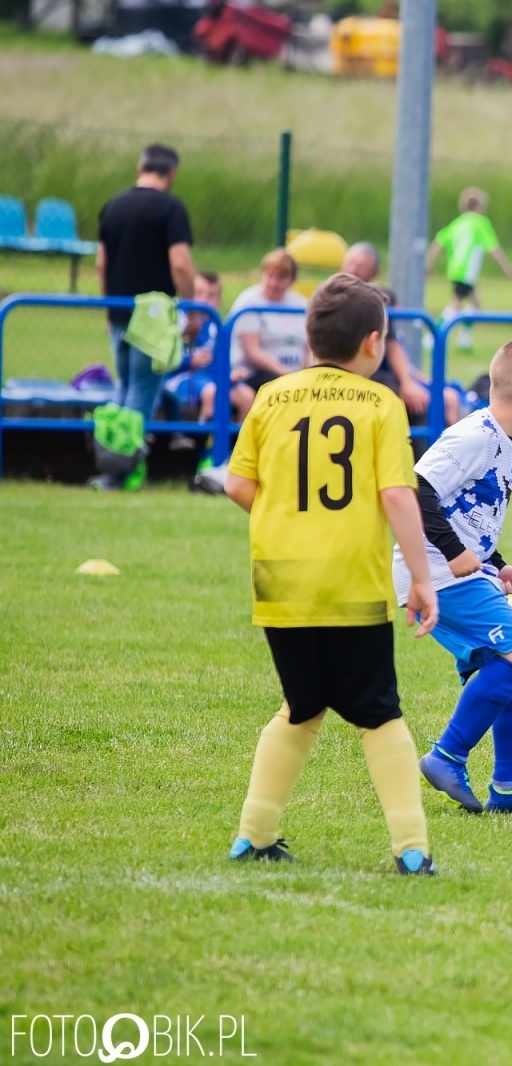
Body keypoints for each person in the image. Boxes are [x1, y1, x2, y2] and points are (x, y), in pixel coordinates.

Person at [223, 273, 442, 875]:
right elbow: (398, 495)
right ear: (374, 343)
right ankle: (412, 846)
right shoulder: (381, 404)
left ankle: (254, 834)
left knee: (301, 706)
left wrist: (287, 520)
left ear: (309, 338)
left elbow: (239, 483)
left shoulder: (270, 396)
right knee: (379, 713)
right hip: (349, 581)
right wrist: (422, 578)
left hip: (280, 580)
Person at [409, 339, 512, 817]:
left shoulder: (499, 439)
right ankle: (446, 756)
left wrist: (495, 561)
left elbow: (467, 509)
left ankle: (508, 789)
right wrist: (458, 555)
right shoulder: (475, 435)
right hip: (434, 571)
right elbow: (415, 489)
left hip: (459, 568)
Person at [91, 143, 197, 489]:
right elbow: (180, 263)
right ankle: (122, 470)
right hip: (151, 316)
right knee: (141, 392)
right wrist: (192, 307)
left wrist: (108, 305)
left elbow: (101, 264)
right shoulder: (170, 209)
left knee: (122, 388)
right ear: (172, 173)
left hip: (119, 310)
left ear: (140, 167)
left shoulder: (113, 206)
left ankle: (110, 462)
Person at [426, 187, 512, 352]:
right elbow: (493, 247)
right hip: (466, 271)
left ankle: (464, 340)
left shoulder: (458, 222)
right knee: (455, 305)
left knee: (475, 303)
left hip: (455, 269)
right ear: (480, 207)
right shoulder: (480, 222)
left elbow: (438, 242)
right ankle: (433, 337)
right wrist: (507, 266)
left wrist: (429, 262)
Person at [223, 249, 309, 419]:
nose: (273, 283)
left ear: (292, 280)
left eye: (281, 278)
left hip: (291, 375)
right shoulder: (249, 302)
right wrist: (287, 374)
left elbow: (310, 346)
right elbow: (252, 352)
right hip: (251, 374)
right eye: (269, 275)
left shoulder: (300, 303)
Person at [372, 286, 460, 427]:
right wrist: (408, 383)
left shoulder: (393, 336)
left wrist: (432, 383)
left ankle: (452, 441)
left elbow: (408, 367)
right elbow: (397, 356)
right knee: (429, 402)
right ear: (397, 308)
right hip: (390, 385)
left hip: (399, 382)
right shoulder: (383, 337)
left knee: (451, 395)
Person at [161, 269, 222, 446]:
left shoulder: (215, 325)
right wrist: (189, 361)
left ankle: (235, 451)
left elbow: (217, 362)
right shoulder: (177, 320)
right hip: (177, 379)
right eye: (199, 293)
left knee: (244, 396)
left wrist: (230, 375)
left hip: (206, 381)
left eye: (211, 295)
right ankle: (206, 446)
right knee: (213, 391)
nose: (204, 300)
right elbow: (163, 360)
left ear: (219, 300)